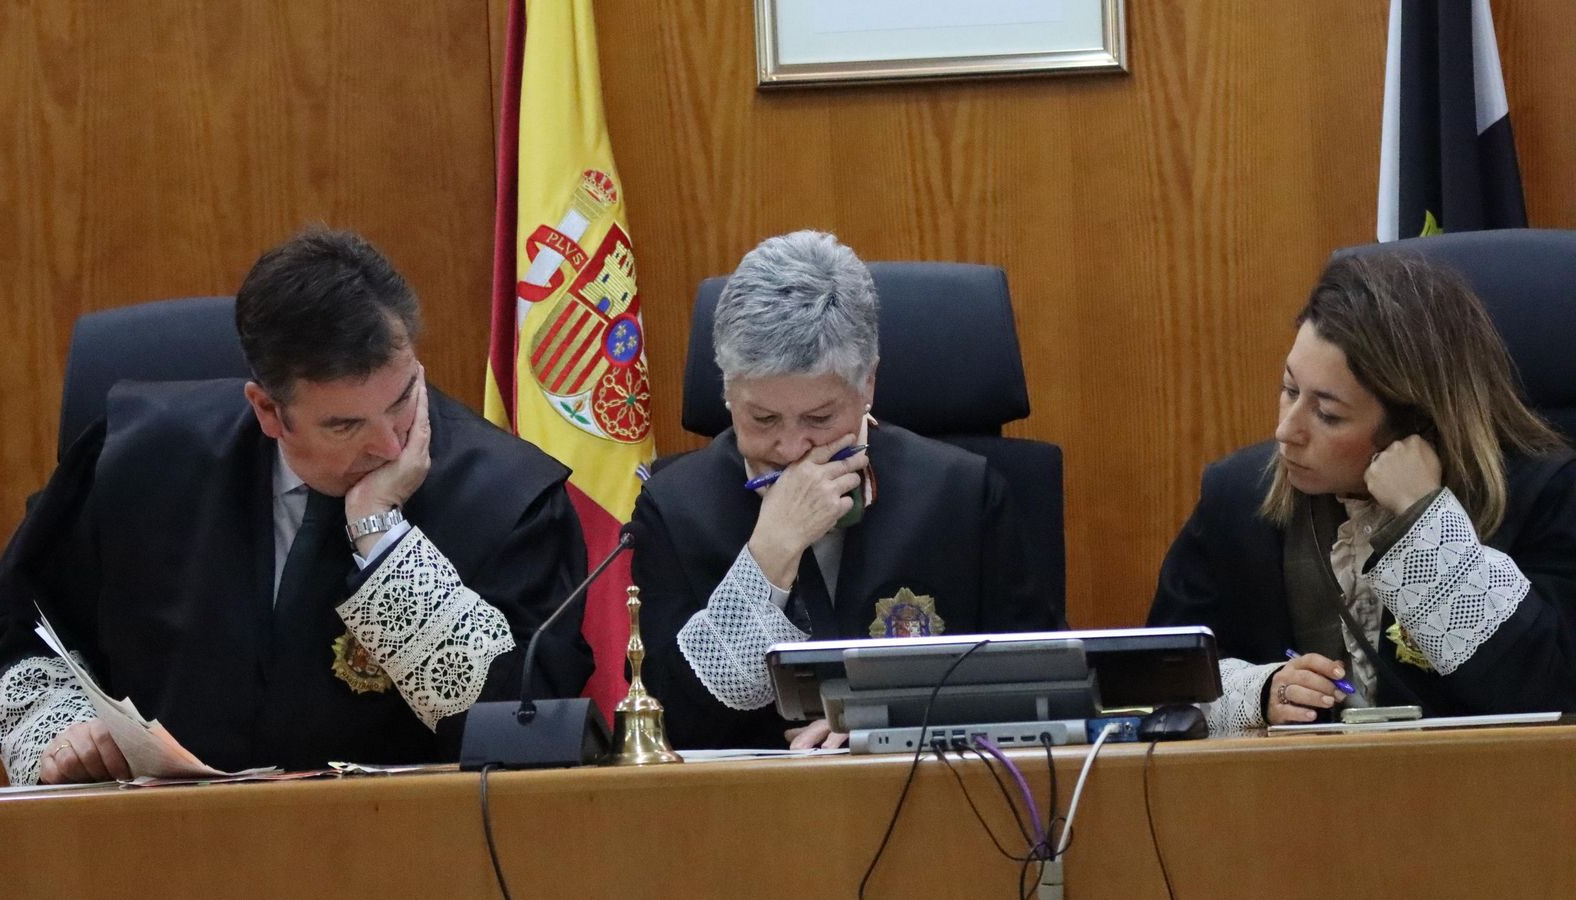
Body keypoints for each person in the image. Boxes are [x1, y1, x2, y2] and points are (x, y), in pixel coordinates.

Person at [0, 229, 592, 784]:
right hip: (162, 848)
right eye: (344, 425)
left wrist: (382, 538)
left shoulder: (509, 499)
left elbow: (528, 729)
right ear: (268, 410)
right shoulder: (139, 460)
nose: (390, 444)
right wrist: (59, 737)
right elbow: (32, 629)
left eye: (405, 397)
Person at [629, 230, 1062, 750]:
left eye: (819, 417)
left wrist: (886, 722)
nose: (791, 447)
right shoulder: (674, 507)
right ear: (726, 390)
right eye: (762, 417)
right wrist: (768, 557)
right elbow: (660, 726)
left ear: (867, 386)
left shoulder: (960, 493)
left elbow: (1042, 687)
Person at [1148, 252, 1576, 730]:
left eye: (1327, 415)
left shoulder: (1546, 493)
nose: (1287, 431)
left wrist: (1424, 520)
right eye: (1290, 390)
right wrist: (1260, 692)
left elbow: (1551, 694)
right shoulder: (1237, 494)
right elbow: (1154, 685)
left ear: (1415, 424)